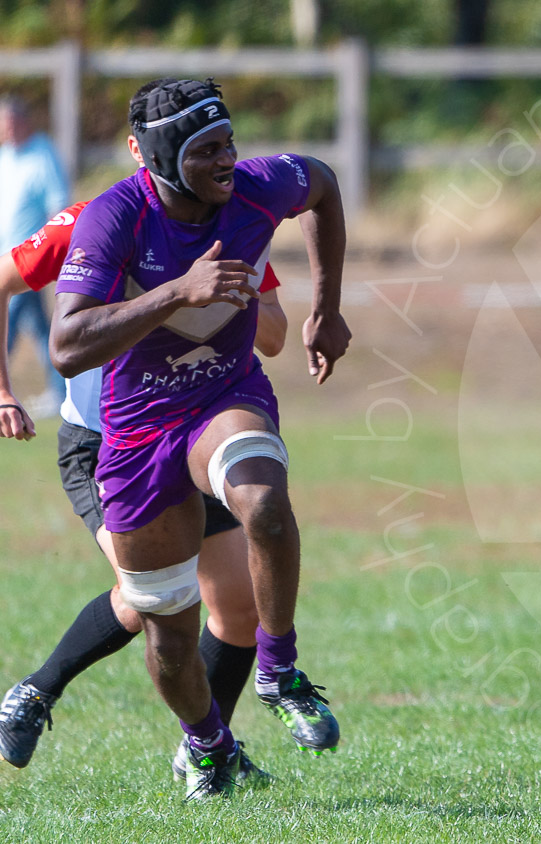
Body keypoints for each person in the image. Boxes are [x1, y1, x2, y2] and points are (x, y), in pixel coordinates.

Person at [50, 77, 351, 799]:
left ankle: (279, 669)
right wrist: (176, 292)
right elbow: (66, 344)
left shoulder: (257, 187)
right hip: (137, 432)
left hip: (224, 394)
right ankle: (208, 743)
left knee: (266, 504)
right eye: (207, 151)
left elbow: (326, 186)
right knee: (171, 637)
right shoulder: (113, 218)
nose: (227, 161)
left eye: (230, 144)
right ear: (158, 157)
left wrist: (326, 309)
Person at [0, 199, 288, 787]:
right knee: (153, 595)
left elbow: (276, 337)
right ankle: (33, 692)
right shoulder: (96, 221)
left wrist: (234, 292)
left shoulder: (233, 219)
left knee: (238, 605)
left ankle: (206, 751)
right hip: (107, 449)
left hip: (191, 434)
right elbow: (2, 281)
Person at [0, 96, 69, 416]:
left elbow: (58, 204)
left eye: (11, 122)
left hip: (32, 258)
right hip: (5, 258)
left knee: (10, 325)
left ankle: (7, 393)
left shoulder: (43, 154)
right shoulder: (5, 156)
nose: (7, 129)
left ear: (24, 121)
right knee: (41, 330)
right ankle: (60, 392)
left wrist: (53, 254)